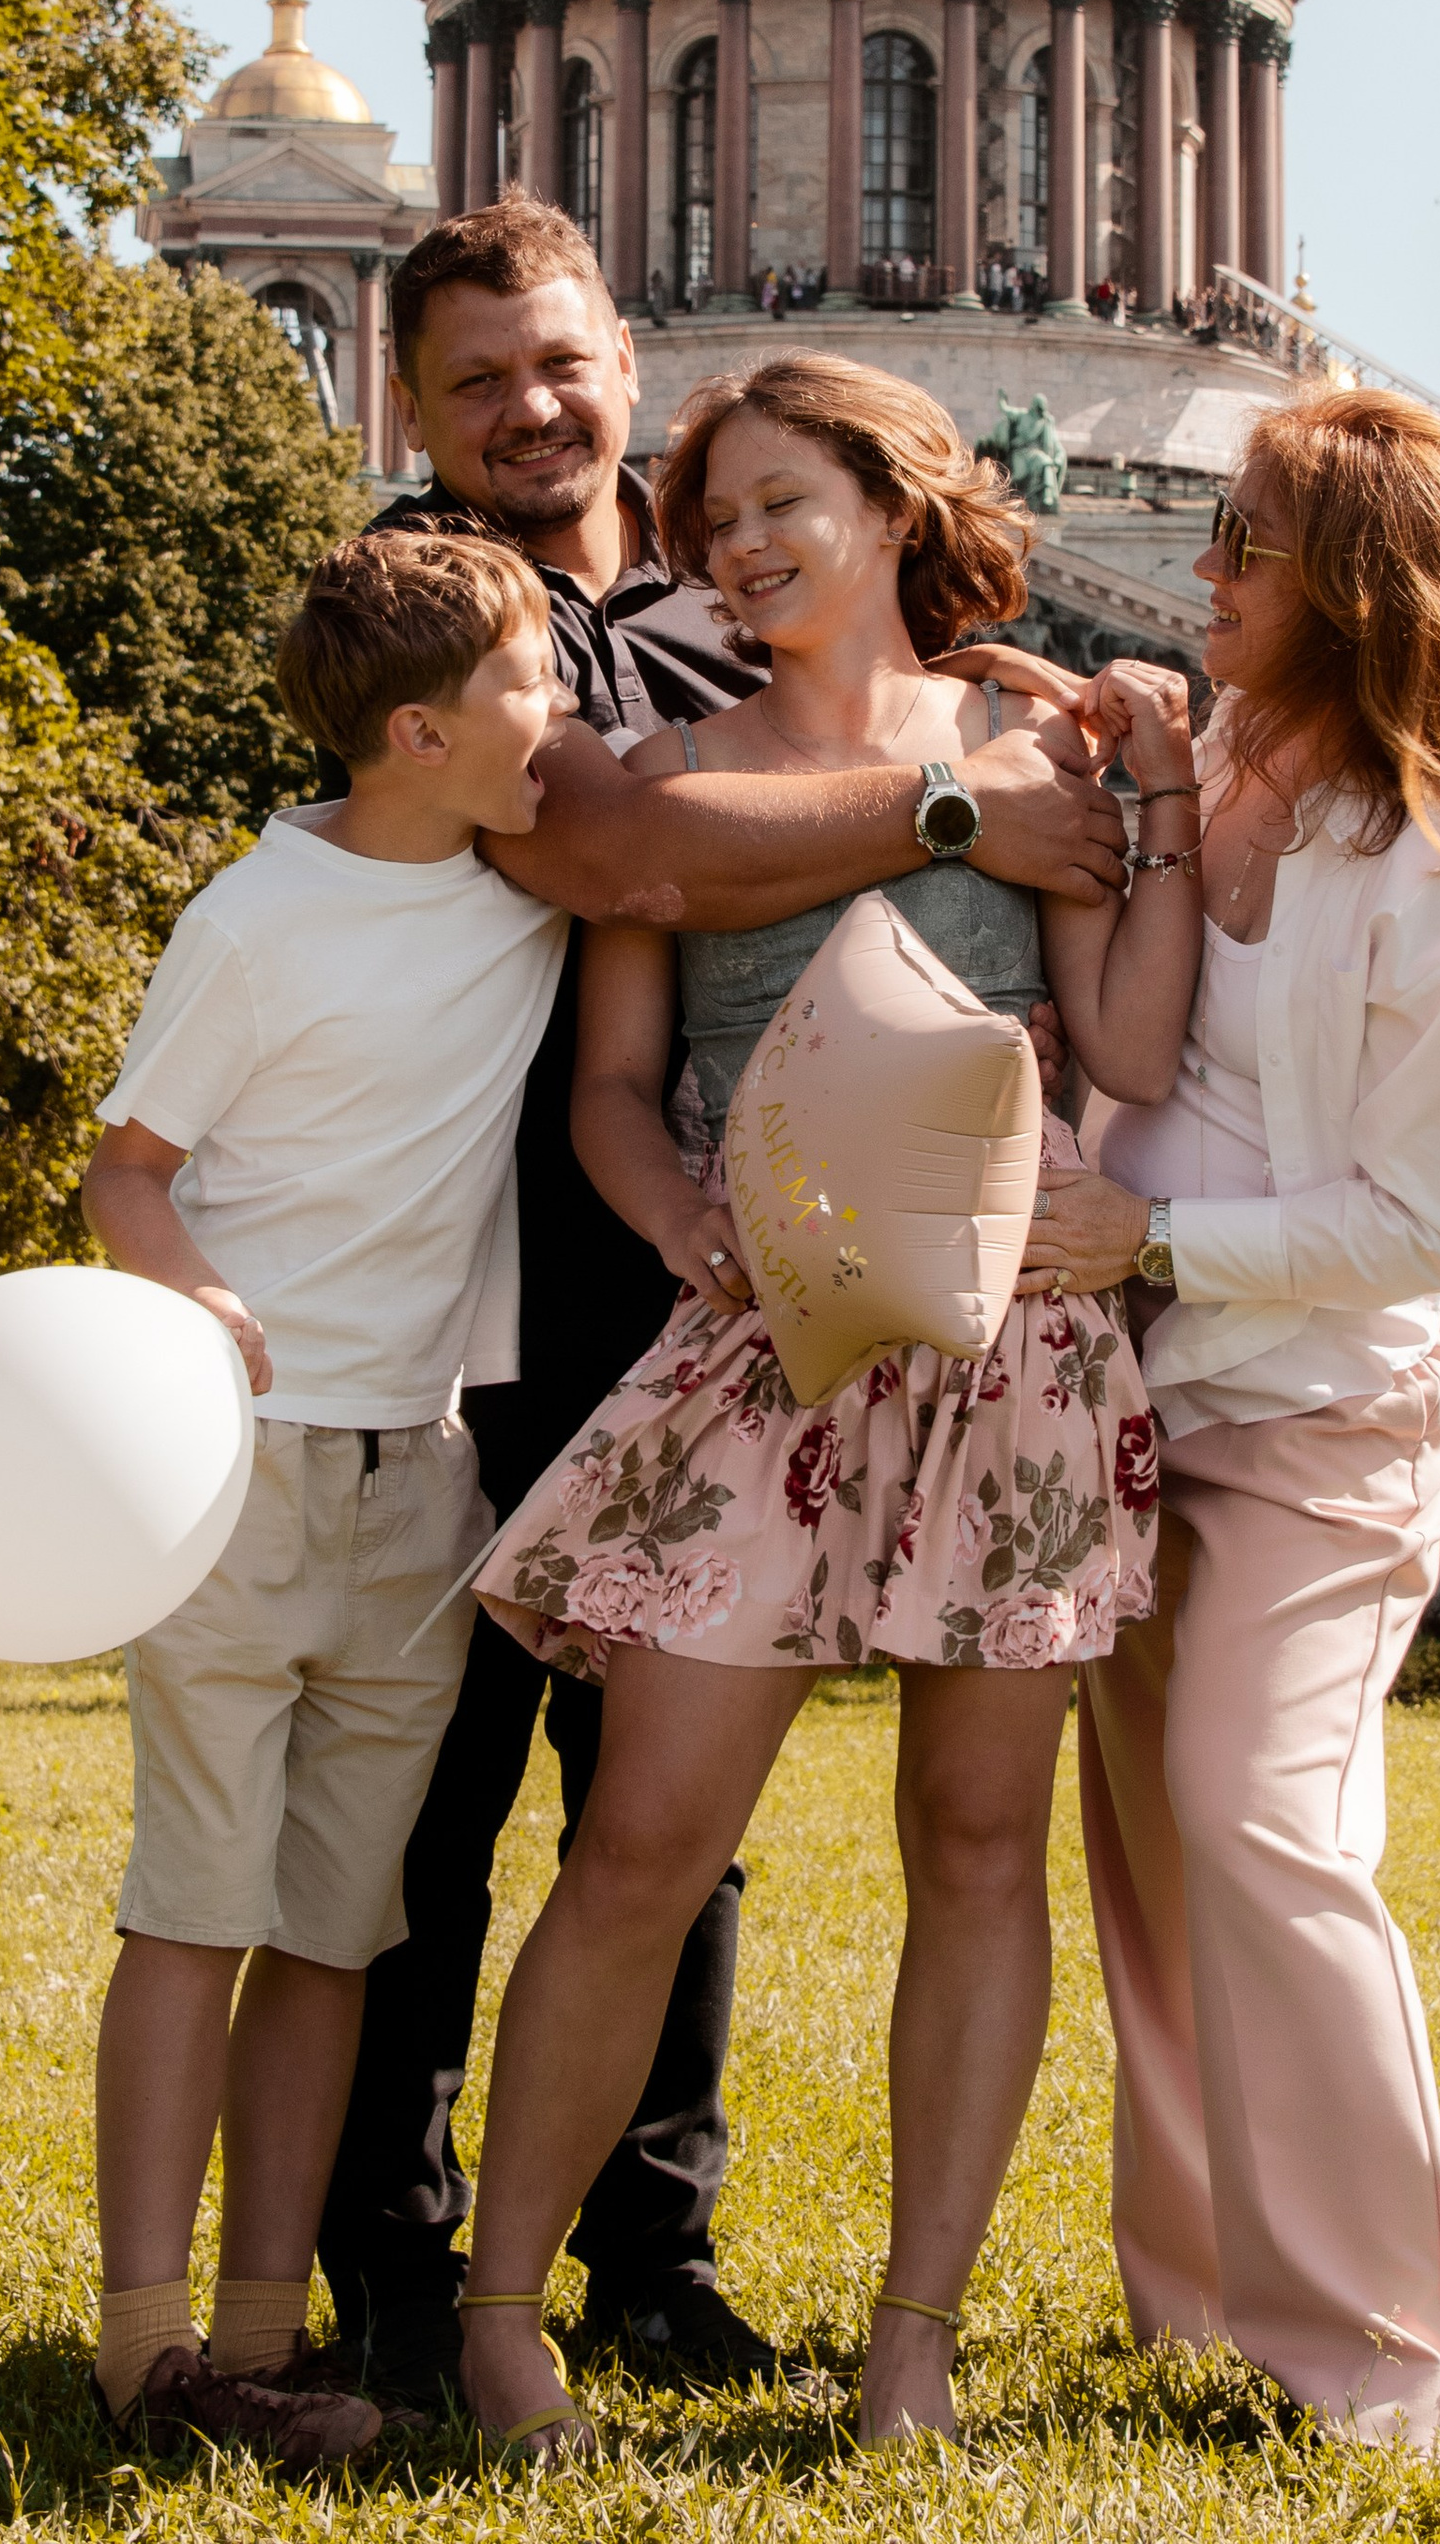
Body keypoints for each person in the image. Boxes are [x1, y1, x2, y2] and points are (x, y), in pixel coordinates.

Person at [313, 201, 1128, 2403]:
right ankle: (413, 2282)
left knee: (740, 1831)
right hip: (534, 1293)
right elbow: (625, 871)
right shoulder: (437, 618)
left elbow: (1126, 1012)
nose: (531, 409)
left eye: (560, 363)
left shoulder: (734, 632)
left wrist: (1104, 751)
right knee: (478, 1808)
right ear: (412, 406)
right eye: (476, 379)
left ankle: (689, 2278)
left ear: (622, 350)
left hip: (904, 1320)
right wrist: (957, 809)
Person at [456, 352, 1200, 2456]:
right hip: (760, 1349)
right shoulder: (672, 773)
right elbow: (615, 1086)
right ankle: (502, 2323)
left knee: (975, 1845)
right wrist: (679, 1220)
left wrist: (1150, 786)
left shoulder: (1026, 749)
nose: (741, 547)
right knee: (641, 1844)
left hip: (1006, 1351)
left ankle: (909, 2351)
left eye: (783, 501)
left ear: (895, 503)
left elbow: (1130, 1044)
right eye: (713, 521)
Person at [1018, 387, 1440, 2451]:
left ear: (1358, 586)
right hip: (1142, 1383)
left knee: (1260, 1818)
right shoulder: (1238, 749)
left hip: (1337, 1403)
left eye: (1244, 544)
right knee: (1154, 1856)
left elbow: (1425, 1225)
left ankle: (1395, 2359)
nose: (1203, 572)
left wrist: (1149, 1235)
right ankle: (1196, 2302)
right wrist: (1147, 768)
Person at [75, 527, 571, 2478]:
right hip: (238, 1480)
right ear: (422, 734)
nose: (564, 710)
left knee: (334, 1933)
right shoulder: (256, 919)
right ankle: (144, 2352)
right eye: (534, 679)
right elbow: (127, 1168)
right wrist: (199, 1299)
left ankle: (264, 2341)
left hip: (418, 1487)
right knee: (194, 1911)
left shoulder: (528, 889)